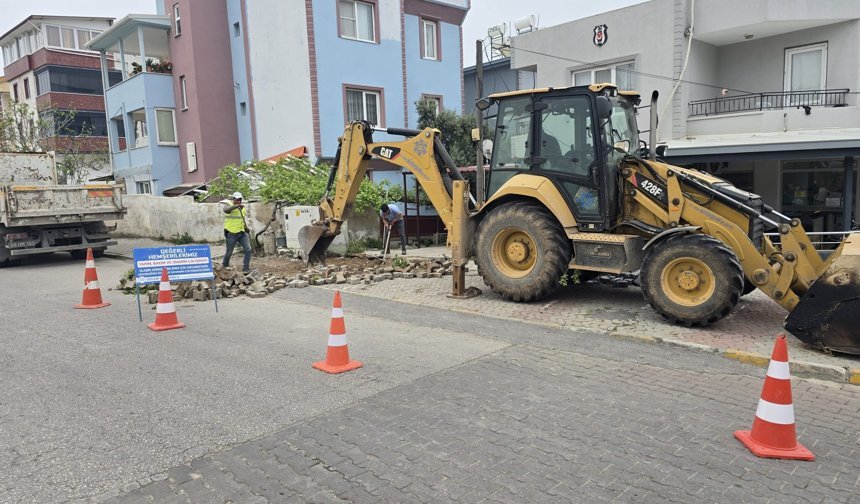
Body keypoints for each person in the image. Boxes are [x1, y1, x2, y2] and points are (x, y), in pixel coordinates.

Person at [222, 191, 252, 273]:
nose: (239, 201)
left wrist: (246, 228)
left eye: (240, 200)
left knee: (248, 250)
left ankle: (245, 269)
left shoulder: (242, 208)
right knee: (229, 253)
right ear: (233, 199)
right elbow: (226, 210)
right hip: (231, 233)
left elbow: (242, 219)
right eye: (237, 199)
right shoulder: (228, 205)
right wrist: (236, 206)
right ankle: (224, 267)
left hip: (241, 233)